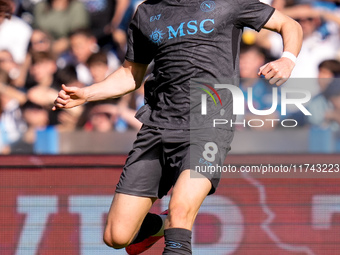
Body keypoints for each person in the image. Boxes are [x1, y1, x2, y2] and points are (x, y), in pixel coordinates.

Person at [53, 0, 303, 254]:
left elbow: (288, 24)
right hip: (157, 127)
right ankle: (160, 225)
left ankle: (172, 224)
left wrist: (287, 59)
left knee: (180, 211)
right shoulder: (145, 13)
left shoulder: (227, 2)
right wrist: (87, 94)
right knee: (117, 236)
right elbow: (131, 74)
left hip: (208, 126)